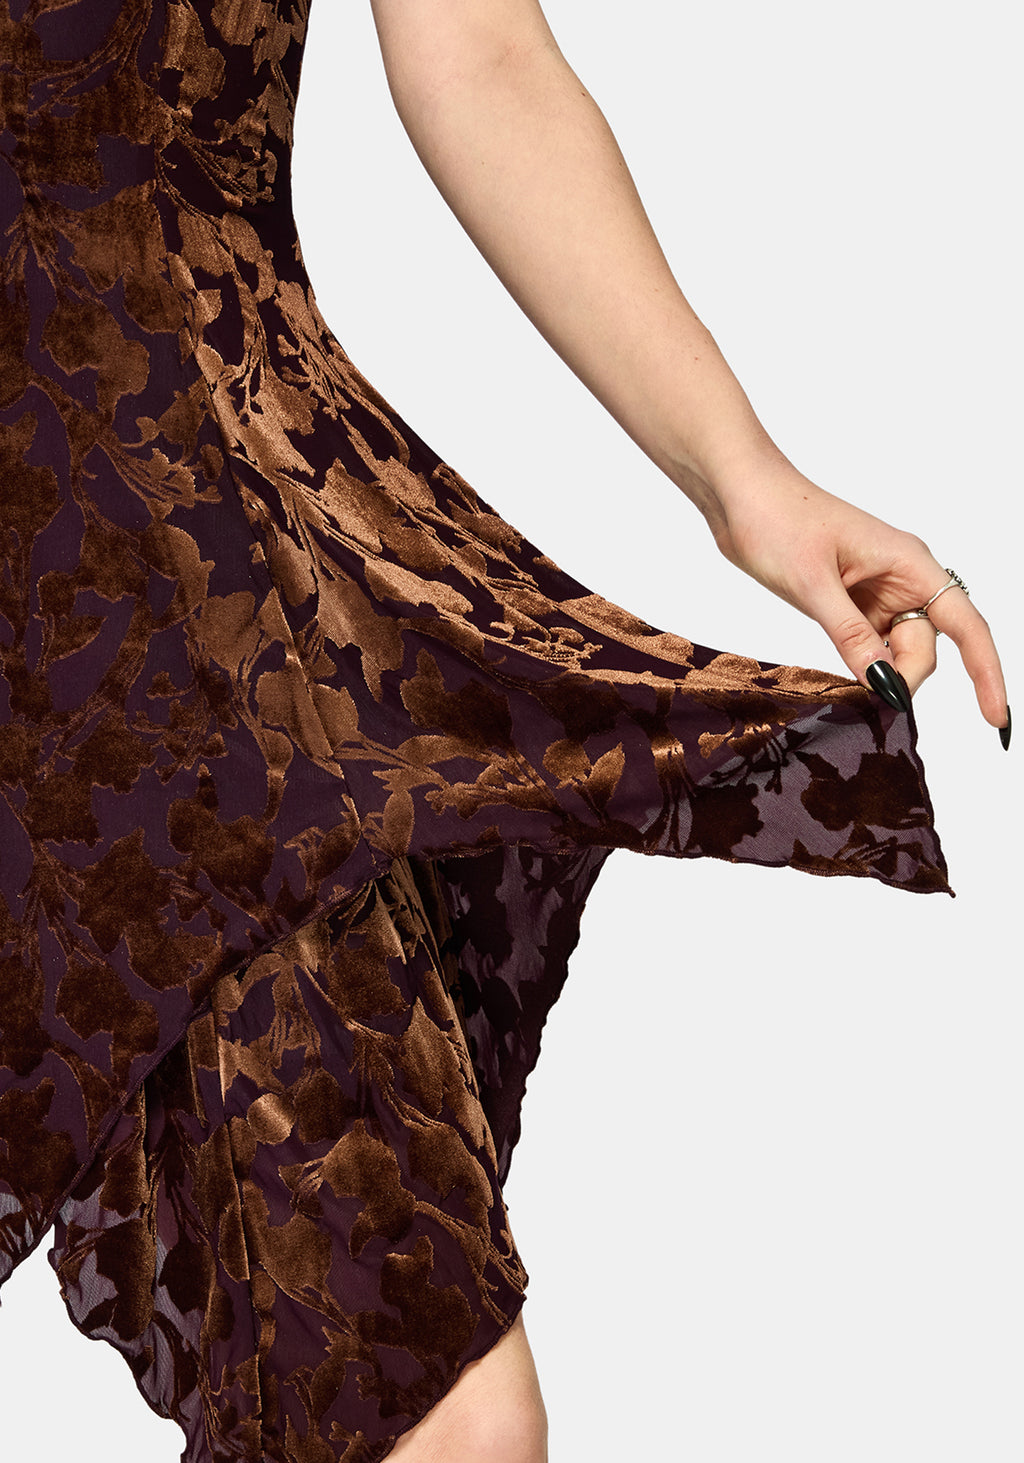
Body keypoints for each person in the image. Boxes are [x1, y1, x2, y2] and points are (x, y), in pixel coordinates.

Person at [0, 2, 1009, 1461]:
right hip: (153, 581)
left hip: (182, 594)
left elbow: (479, 51)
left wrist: (747, 482)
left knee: (428, 1408)